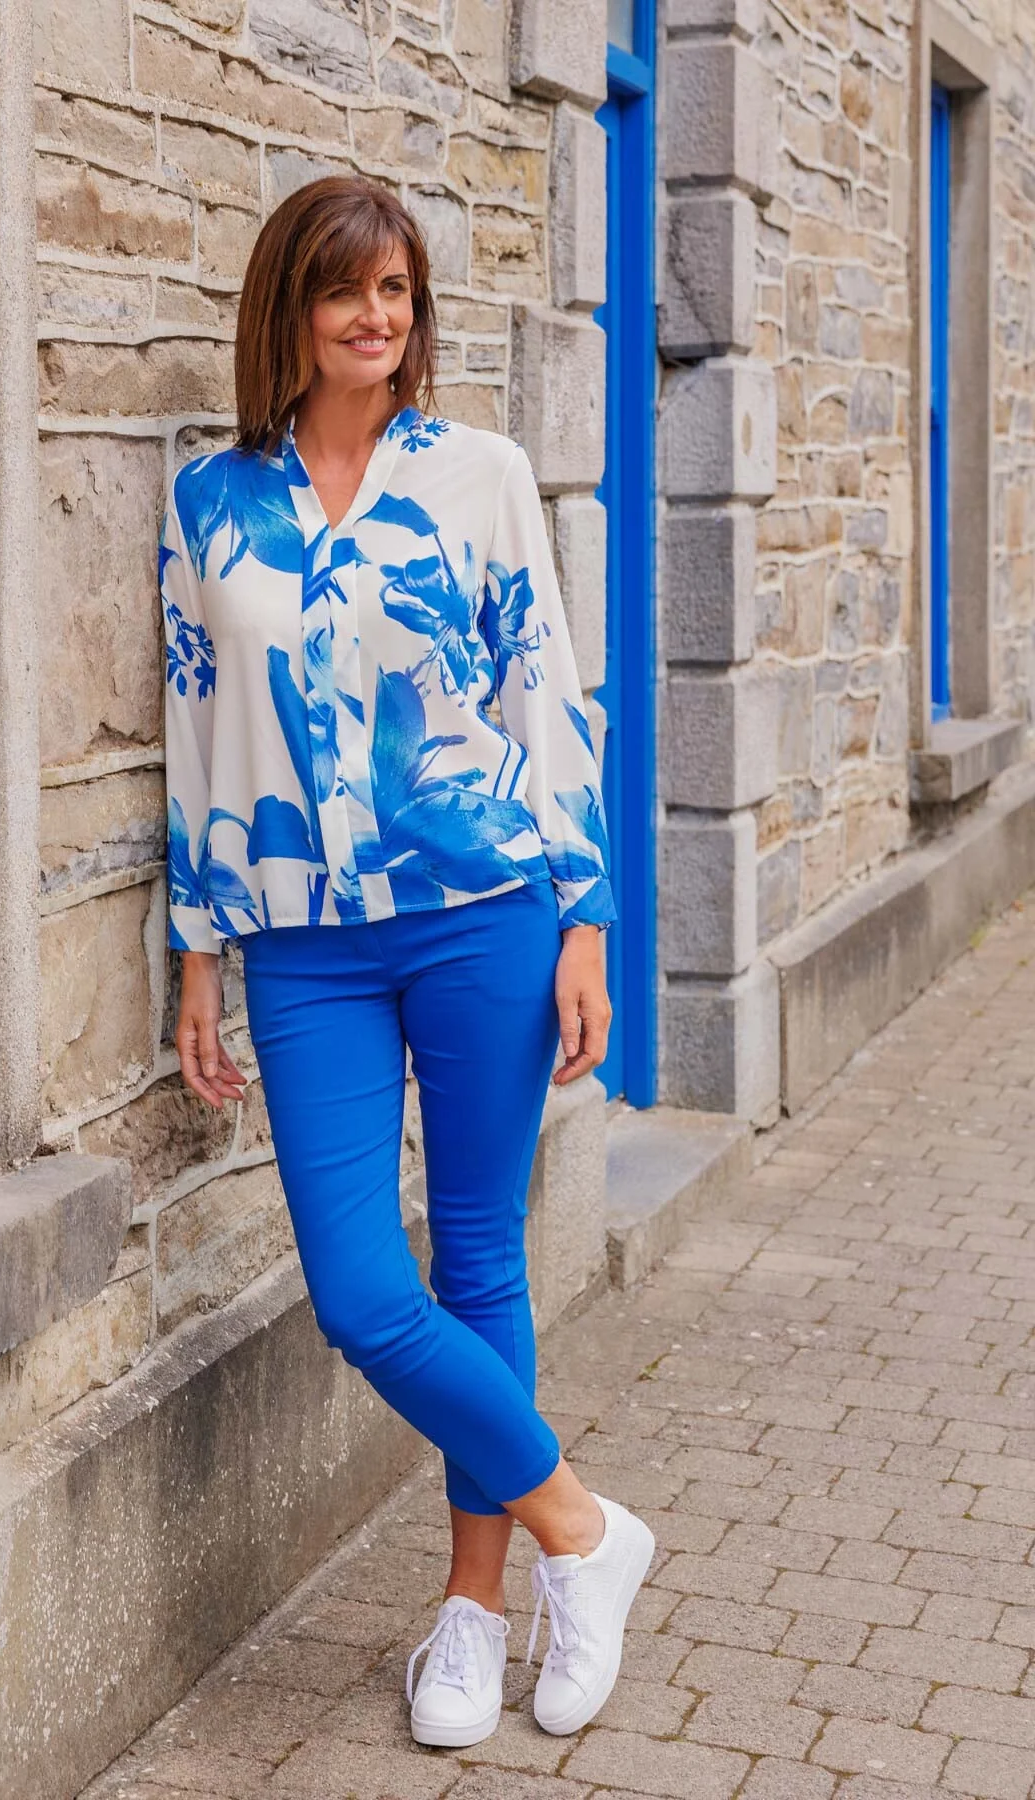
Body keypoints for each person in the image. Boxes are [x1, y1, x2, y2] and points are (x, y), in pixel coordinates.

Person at [159, 173, 654, 1749]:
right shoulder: (211, 503)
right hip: (302, 949)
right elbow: (194, 728)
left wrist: (583, 916)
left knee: (480, 1263)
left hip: (482, 913)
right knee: (366, 1294)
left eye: (401, 293)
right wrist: (196, 951)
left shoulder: (483, 475)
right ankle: (589, 1533)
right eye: (346, 292)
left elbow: (548, 694)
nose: (380, 319)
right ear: (288, 311)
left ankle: (471, 1612)